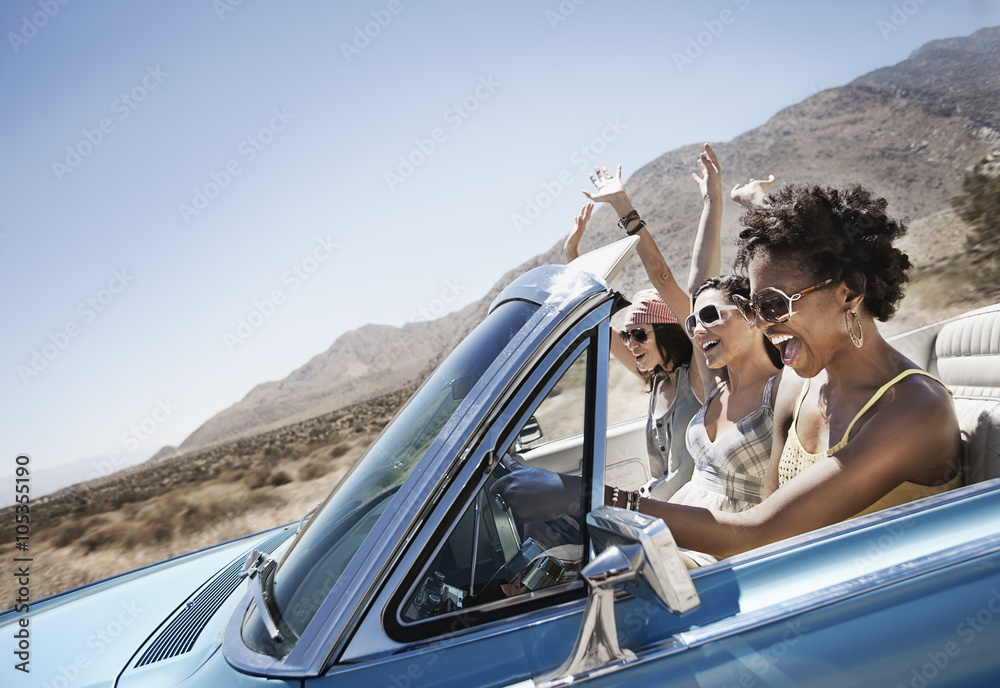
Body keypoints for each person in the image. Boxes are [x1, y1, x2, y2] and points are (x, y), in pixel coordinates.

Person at [581, 147, 781, 515]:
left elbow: (670, 279)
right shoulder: (715, 386)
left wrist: (715, 200)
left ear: (753, 314)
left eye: (710, 316)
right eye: (692, 321)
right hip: (676, 518)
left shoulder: (778, 387)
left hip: (722, 533)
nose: (699, 329)